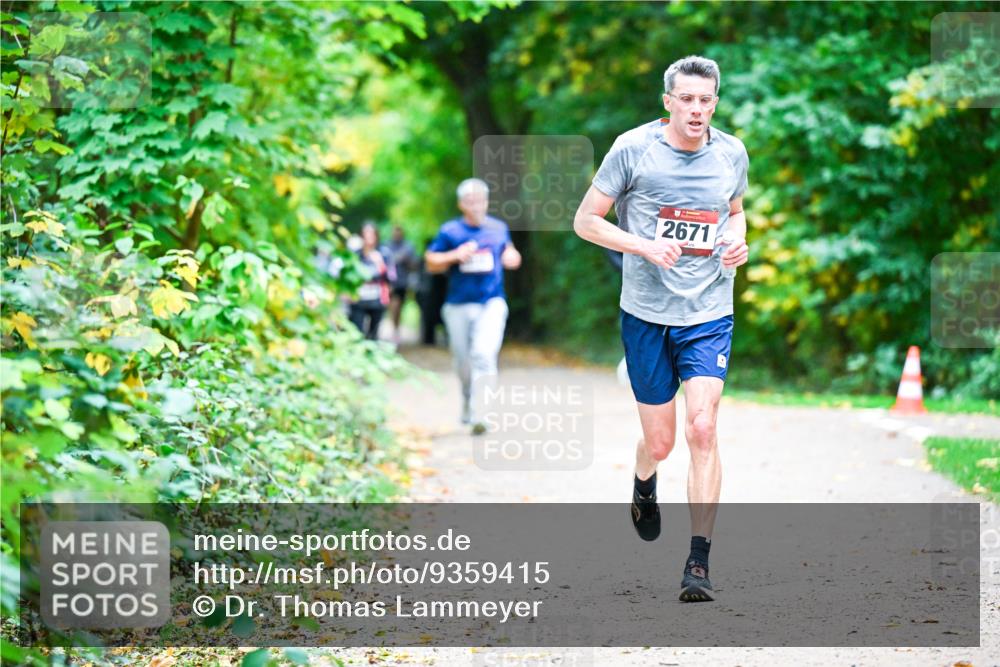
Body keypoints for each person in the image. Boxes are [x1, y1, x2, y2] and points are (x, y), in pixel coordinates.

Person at [573, 55, 749, 603]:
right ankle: (644, 482)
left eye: (706, 100)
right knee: (662, 441)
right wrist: (644, 245)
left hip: (709, 311)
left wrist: (738, 242)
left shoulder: (732, 153)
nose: (697, 109)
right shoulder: (633, 149)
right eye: (687, 99)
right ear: (668, 101)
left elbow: (735, 211)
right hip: (647, 312)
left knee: (702, 427)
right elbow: (586, 221)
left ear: (715, 102)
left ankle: (698, 562)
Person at [425, 178, 522, 433]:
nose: (476, 205)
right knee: (463, 361)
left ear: (486, 201)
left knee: (484, 354)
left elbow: (511, 253)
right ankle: (469, 400)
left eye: (480, 200)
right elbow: (431, 262)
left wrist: (512, 257)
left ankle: (483, 414)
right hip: (458, 304)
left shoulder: (498, 228)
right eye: (470, 201)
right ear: (461, 204)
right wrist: (455, 256)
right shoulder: (450, 232)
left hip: (491, 302)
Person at [348, 222, 394, 340]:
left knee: (374, 333)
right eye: (365, 234)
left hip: (377, 298)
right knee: (357, 330)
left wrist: (379, 263)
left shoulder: (384, 253)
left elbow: (391, 277)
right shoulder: (355, 254)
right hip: (358, 297)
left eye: (371, 234)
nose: (368, 237)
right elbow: (348, 276)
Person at [385, 225, 419, 345]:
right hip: (389, 282)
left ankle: (396, 329)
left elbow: (415, 266)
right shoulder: (387, 246)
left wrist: (406, 259)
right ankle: (394, 330)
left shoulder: (408, 247)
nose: (396, 235)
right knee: (393, 306)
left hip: (403, 283)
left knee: (399, 308)